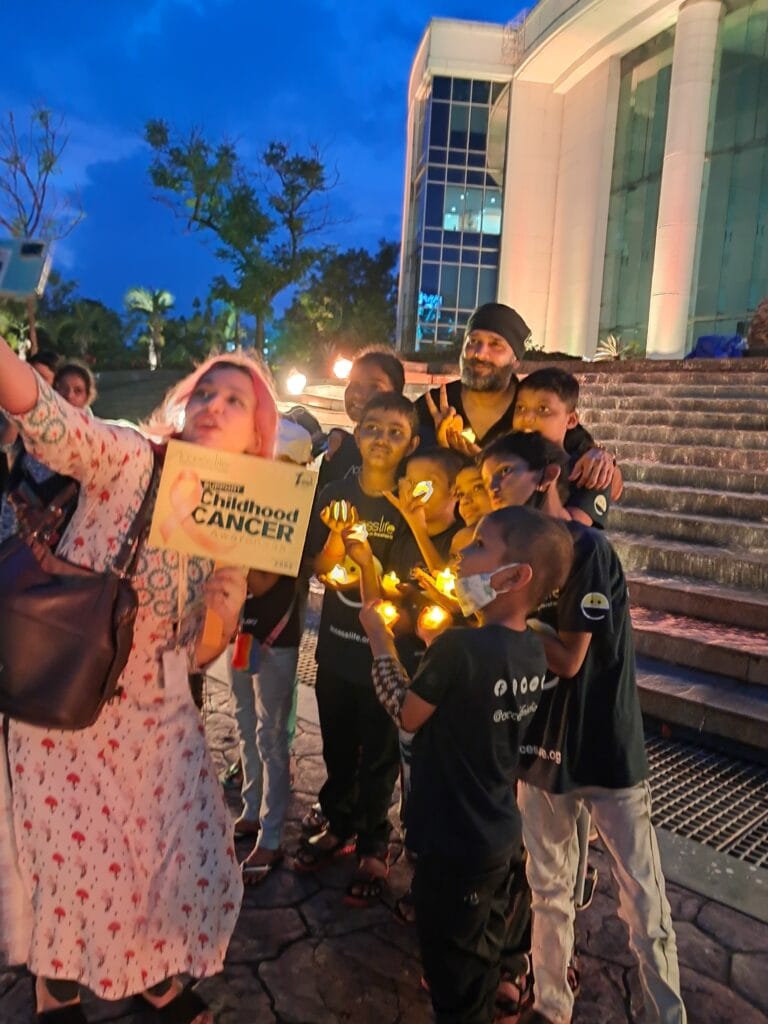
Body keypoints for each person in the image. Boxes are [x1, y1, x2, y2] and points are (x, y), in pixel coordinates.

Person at [0, 338, 279, 1024]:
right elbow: (52, 423)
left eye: (234, 400)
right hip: (71, 703)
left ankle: (153, 979)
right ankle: (56, 992)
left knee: (169, 858)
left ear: (256, 437)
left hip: (161, 714)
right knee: (70, 864)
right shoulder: (133, 459)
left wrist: (224, 595)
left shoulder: (242, 509)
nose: (213, 405)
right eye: (204, 392)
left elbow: (207, 645)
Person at [478, 431, 686, 1024]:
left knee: (642, 902)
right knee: (546, 889)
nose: (493, 489)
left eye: (504, 474)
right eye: (486, 482)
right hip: (539, 747)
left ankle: (668, 1014)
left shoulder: (586, 549)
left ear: (546, 476)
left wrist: (498, 617)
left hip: (604, 749)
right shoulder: (506, 558)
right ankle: (551, 1007)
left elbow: (569, 658)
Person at [357, 505, 574, 1024]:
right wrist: (437, 648)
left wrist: (380, 640)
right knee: (481, 954)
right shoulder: (531, 648)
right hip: (497, 833)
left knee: (454, 981)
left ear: (515, 576)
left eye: (478, 546)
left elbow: (406, 712)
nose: (460, 557)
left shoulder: (460, 648)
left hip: (451, 842)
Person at [297, 392, 419, 905]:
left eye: (395, 432)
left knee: (380, 755)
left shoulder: (409, 502)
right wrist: (335, 540)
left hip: (386, 654)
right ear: (357, 431)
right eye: (372, 428)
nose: (381, 440)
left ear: (412, 442)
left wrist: (368, 563)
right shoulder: (335, 491)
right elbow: (321, 568)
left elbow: (406, 584)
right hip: (336, 648)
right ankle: (338, 821)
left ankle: (373, 843)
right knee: (338, 745)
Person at [414, 302, 616, 493]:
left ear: (516, 361)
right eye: (473, 341)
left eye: (495, 345)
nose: (480, 354)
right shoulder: (435, 405)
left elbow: (614, 487)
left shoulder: (531, 411)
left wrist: (601, 458)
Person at [231, 418, 313, 884]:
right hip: (242, 634)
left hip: (276, 639)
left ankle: (272, 833)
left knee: (270, 736)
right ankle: (250, 808)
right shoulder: (249, 500)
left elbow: (261, 581)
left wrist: (222, 544)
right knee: (245, 723)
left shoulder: (294, 514)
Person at [512, 366, 620, 525]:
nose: (527, 417)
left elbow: (571, 530)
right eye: (520, 408)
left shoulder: (586, 471)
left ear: (571, 420)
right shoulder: (505, 462)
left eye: (543, 409)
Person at [317, 346, 405, 489]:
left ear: (397, 395)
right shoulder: (336, 449)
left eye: (374, 387)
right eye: (353, 383)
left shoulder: (409, 456)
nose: (358, 394)